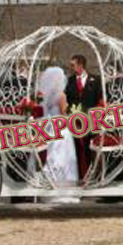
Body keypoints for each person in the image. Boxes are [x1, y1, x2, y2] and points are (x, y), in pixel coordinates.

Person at [38, 67, 79, 203]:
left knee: (52, 156)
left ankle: (48, 183)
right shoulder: (61, 95)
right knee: (65, 156)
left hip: (48, 129)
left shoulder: (43, 95)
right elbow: (63, 114)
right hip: (60, 128)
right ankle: (64, 186)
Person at [64, 55, 102, 182]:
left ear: (81, 65)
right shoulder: (70, 80)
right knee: (77, 148)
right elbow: (67, 100)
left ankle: (94, 176)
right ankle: (81, 176)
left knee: (91, 149)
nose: (71, 67)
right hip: (75, 122)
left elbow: (100, 100)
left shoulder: (95, 80)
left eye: (73, 65)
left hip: (92, 121)